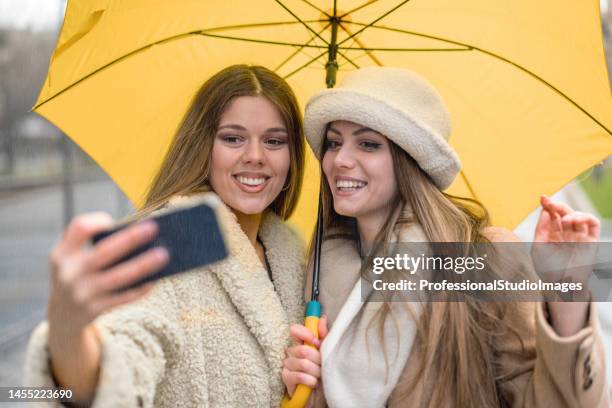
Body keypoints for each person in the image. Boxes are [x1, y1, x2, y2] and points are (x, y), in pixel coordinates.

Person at [281, 67, 609, 407]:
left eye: (368, 144)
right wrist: (304, 390)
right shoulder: (321, 271)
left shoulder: (482, 257)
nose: (340, 160)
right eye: (334, 143)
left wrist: (566, 295)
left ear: (411, 159)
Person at [24, 64, 307, 407]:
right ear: (203, 145)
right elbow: (123, 358)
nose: (255, 156)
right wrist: (69, 330)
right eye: (233, 138)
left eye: (275, 141)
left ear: (293, 157)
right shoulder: (168, 241)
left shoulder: (293, 255)